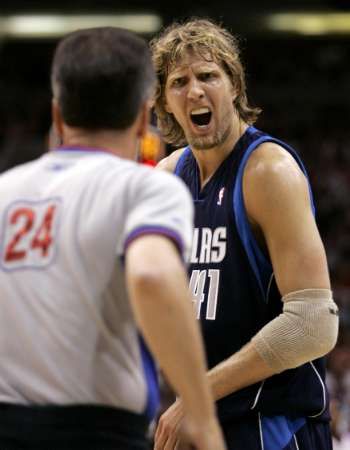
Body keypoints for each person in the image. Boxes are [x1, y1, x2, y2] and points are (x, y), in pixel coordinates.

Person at [0, 27, 226, 450]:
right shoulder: (146, 187)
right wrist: (203, 420)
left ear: (57, 116)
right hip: (98, 432)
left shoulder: (4, 192)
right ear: (145, 117)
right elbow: (153, 278)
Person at [150, 18, 339, 450]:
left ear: (234, 85)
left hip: (272, 425)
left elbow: (313, 325)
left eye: (208, 75)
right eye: (179, 81)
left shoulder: (267, 171)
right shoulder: (165, 179)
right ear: (164, 101)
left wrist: (197, 396)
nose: (195, 90)